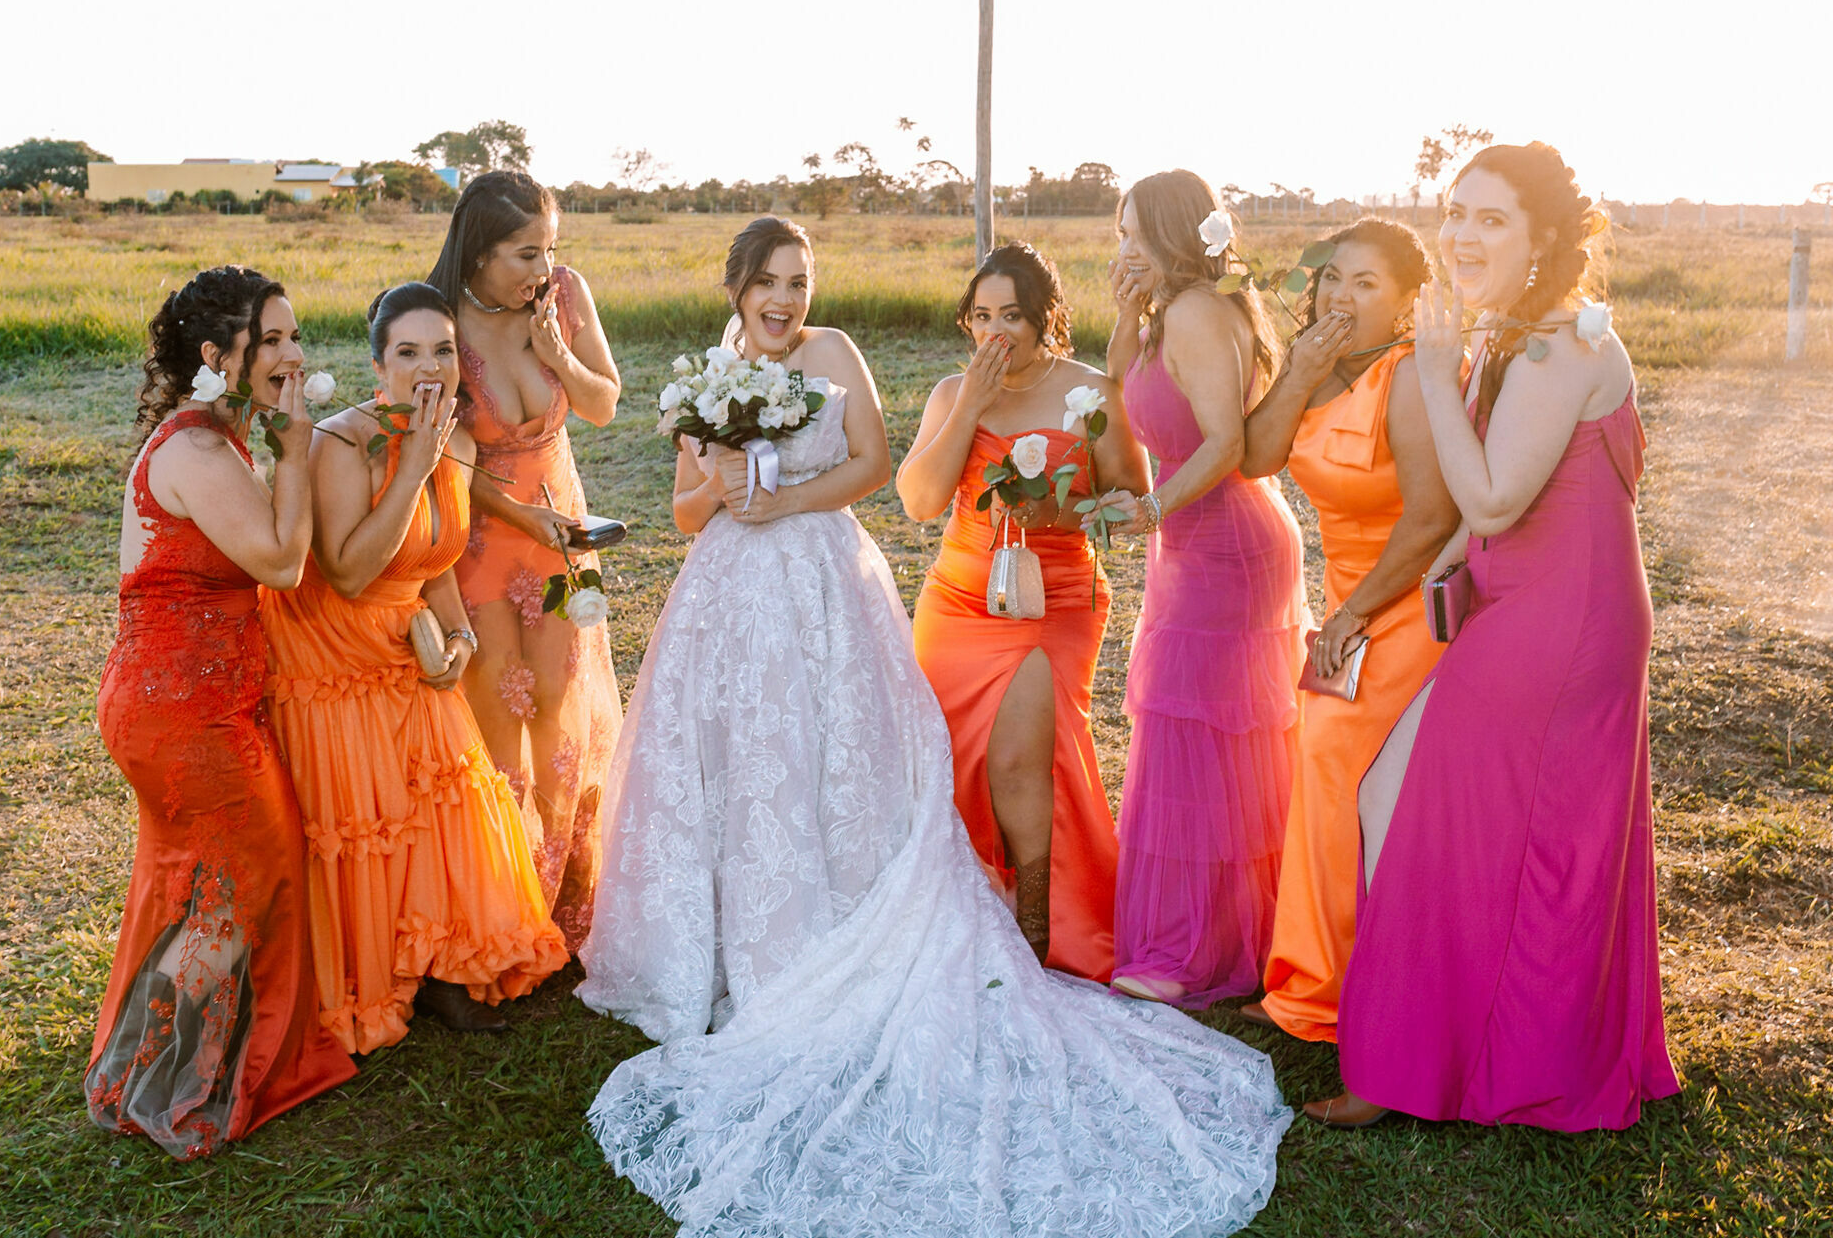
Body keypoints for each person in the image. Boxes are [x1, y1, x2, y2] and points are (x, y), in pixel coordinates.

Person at [577, 217, 1291, 1238]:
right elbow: (703, 509)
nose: (786, 298)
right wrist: (727, 483)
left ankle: (1026, 924)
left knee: (931, 760)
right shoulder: (719, 374)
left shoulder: (853, 355)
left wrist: (786, 498)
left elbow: (884, 470)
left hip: (951, 589)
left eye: (800, 280)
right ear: (737, 287)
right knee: (749, 761)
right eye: (770, 281)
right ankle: (748, 939)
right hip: (810, 595)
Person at [1309, 143, 1681, 1130]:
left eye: (1490, 219)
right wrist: (1441, 572)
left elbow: (1494, 497)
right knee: (1399, 798)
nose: (1462, 236)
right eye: (1455, 213)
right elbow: (1486, 513)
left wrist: (1437, 376)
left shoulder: (1563, 346)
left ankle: (1426, 1063)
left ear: (1543, 237)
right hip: (1516, 601)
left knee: (1481, 819)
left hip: (1566, 621)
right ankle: (1416, 1046)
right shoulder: (1514, 329)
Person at [88, 266, 354, 1158]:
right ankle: (158, 1070)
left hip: (193, 698)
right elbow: (280, 560)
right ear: (217, 354)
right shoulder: (197, 453)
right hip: (182, 710)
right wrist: (299, 449)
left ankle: (164, 1055)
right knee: (251, 877)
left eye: (294, 336)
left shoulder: (216, 436)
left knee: (213, 883)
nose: (293, 354)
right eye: (271, 339)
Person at [259, 282, 565, 1052]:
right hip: (332, 652)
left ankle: (442, 964)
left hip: (410, 639)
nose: (429, 367)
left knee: (455, 789)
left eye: (443, 350)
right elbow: (349, 571)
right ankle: (381, 967)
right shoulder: (340, 443)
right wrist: (411, 468)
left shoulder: (456, 444)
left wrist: (459, 640)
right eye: (408, 352)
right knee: (372, 810)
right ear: (378, 365)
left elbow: (436, 560)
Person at [897, 240, 1148, 979]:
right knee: (952, 763)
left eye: (1011, 315)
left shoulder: (1092, 393)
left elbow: (1135, 501)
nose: (995, 332)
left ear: (1045, 318)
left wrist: (1061, 513)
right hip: (959, 600)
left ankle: (1038, 923)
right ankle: (971, 906)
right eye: (981, 316)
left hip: (1056, 598)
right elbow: (919, 501)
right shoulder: (954, 392)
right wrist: (970, 407)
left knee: (1016, 758)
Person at [1236, 219, 1459, 1041]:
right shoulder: (1316, 367)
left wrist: (1354, 612)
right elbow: (1257, 458)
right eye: (1333, 277)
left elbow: (1432, 519)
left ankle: (1340, 987)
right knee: (1321, 756)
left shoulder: (1410, 376)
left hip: (1409, 598)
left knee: (1334, 755)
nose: (1341, 295)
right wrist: (1298, 372)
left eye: (1366, 283)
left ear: (1404, 303)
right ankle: (1314, 976)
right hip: (1347, 599)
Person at [1103, 170, 1310, 1009]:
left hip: (1227, 544)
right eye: (1117, 235)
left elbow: (1225, 443)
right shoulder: (1168, 310)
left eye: (1132, 235)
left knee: (1204, 736)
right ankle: (1214, 928)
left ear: (1170, 232)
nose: (1122, 249)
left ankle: (1200, 945)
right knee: (1196, 735)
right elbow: (1120, 383)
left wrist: (1152, 509)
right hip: (1190, 544)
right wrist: (1126, 312)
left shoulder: (1196, 310)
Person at [425, 171, 622, 945]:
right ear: (479, 253)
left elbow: (603, 404)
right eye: (525, 253)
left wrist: (557, 355)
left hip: (562, 532)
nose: (544, 268)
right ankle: (506, 903)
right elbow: (441, 455)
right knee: (498, 714)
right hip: (482, 533)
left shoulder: (564, 297)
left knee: (558, 707)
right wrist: (518, 516)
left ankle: (566, 898)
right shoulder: (440, 317)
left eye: (551, 249)